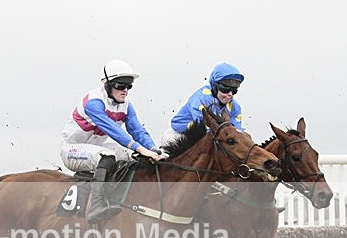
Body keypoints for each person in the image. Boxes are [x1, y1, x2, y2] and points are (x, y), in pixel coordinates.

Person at [60, 59, 163, 224]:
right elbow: (113, 131)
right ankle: (96, 206)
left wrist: (152, 148)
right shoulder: (93, 102)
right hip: (72, 150)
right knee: (108, 155)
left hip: (97, 148)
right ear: (107, 84)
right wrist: (140, 148)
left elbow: (137, 130)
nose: (125, 91)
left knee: (134, 156)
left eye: (129, 86)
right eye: (120, 86)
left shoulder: (127, 105)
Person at [162, 62, 245, 145]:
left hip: (202, 139)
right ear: (215, 87)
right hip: (177, 136)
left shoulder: (235, 107)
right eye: (225, 89)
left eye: (234, 90)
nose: (230, 94)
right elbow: (204, 128)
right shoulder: (201, 99)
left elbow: (237, 131)